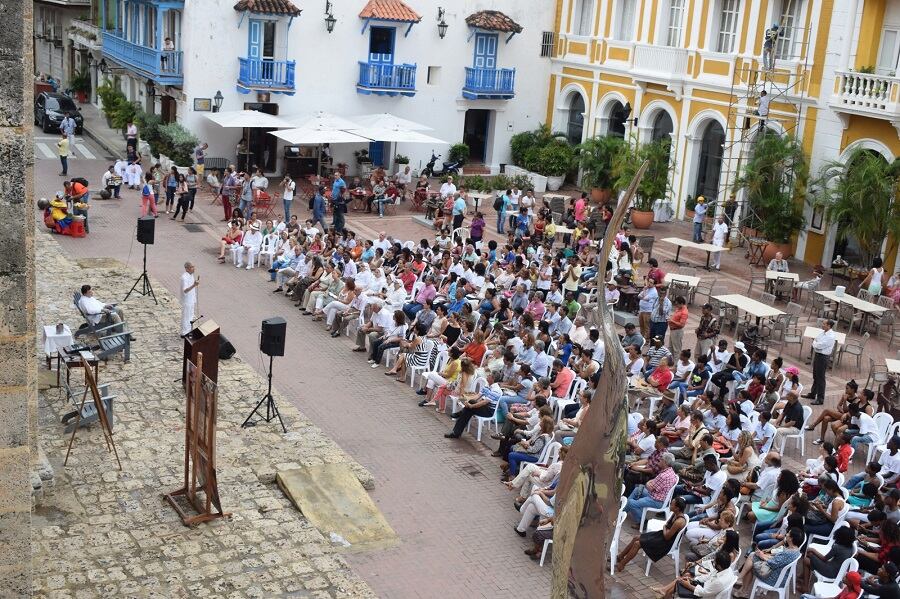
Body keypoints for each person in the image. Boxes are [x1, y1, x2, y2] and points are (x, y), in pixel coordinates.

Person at [616, 495, 687, 572]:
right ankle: (620, 556)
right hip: (661, 536)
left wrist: (664, 527)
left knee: (637, 544)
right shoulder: (675, 513)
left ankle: (621, 565)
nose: (670, 505)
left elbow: (667, 536)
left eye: (672, 504)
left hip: (665, 543)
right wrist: (665, 527)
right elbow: (667, 526)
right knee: (636, 537)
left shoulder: (679, 521)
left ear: (677, 508)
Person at [734, 527, 803, 599]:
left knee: (751, 559)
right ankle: (742, 589)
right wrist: (765, 554)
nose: (787, 534)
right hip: (779, 574)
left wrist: (762, 555)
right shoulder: (796, 550)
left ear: (791, 538)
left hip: (774, 578)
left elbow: (773, 563)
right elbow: (778, 560)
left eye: (789, 533)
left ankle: (741, 583)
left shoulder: (789, 553)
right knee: (753, 557)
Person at [804, 319, 836, 405]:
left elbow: (819, 345)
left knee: (821, 378)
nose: (822, 325)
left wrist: (815, 344)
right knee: (815, 375)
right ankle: (813, 393)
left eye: (824, 324)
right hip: (818, 355)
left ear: (829, 326)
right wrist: (816, 343)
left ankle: (820, 398)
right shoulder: (823, 332)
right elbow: (816, 340)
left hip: (823, 357)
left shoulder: (830, 336)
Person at [180, 262, 199, 337]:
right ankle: (184, 332)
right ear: (187, 268)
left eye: (193, 267)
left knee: (190, 316)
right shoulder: (184, 278)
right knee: (186, 316)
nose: (193, 269)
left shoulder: (191, 275)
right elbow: (185, 290)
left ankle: (189, 330)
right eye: (191, 267)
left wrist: (194, 284)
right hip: (187, 300)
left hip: (191, 299)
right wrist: (194, 285)